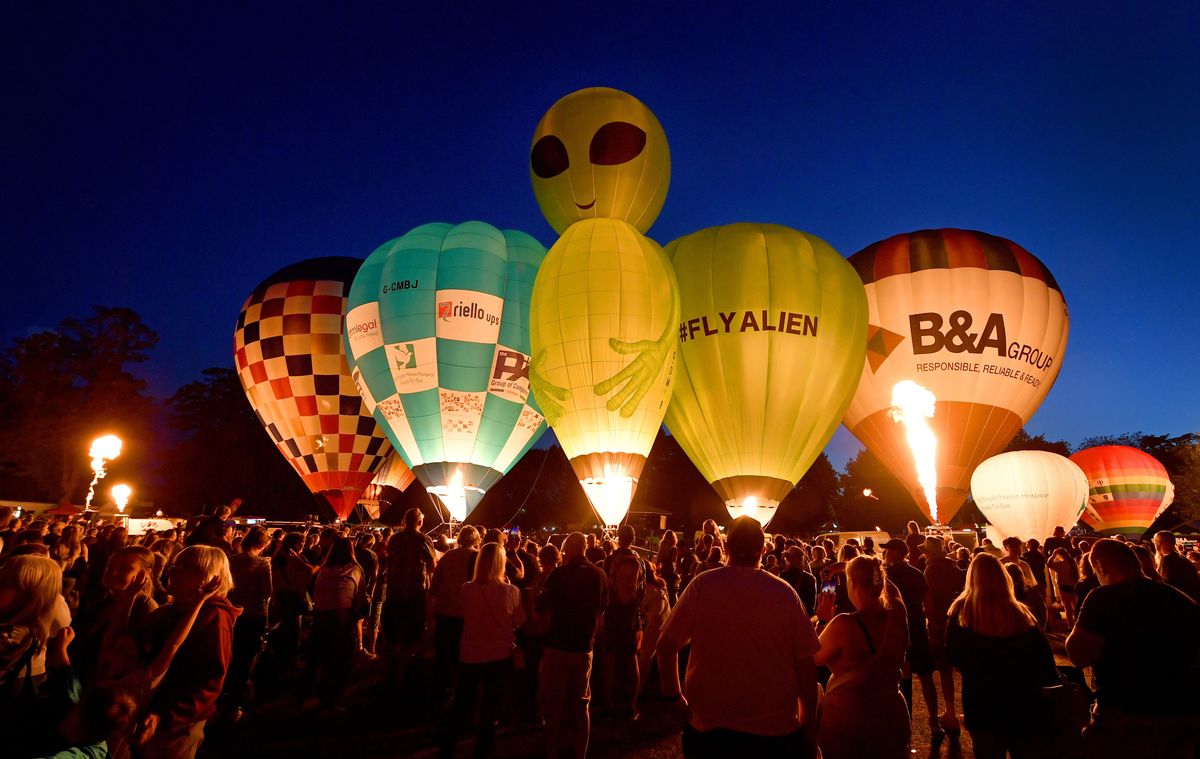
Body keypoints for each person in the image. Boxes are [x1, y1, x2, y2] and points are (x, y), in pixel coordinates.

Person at [657, 516, 820, 758]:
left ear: (725, 548)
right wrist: (807, 728)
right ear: (763, 551)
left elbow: (666, 646)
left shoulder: (703, 586)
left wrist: (673, 697)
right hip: (773, 731)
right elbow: (806, 666)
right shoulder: (785, 594)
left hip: (710, 728)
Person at [1067, 539, 1200, 757]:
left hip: (1125, 714)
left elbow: (1079, 655)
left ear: (1100, 566)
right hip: (1181, 716)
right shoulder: (1179, 598)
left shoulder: (1103, 597)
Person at [945, 554, 1059, 758]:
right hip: (1022, 702)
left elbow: (953, 656)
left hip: (982, 703)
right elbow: (1044, 661)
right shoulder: (1020, 613)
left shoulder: (961, 614)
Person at [137, 544, 240, 759]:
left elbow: (210, 678)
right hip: (152, 712)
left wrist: (165, 715)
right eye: (174, 565)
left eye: (182, 567)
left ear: (207, 576)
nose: (171, 571)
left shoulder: (214, 617)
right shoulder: (176, 609)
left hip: (176, 724)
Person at [815, 556, 910, 759]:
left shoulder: (843, 624)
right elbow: (890, 590)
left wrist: (823, 620)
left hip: (850, 721)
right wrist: (857, 567)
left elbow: (815, 656)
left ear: (852, 583)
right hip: (892, 715)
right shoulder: (898, 616)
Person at [439, 542, 525, 759]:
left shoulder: (466, 589)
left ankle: (447, 747)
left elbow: (464, 613)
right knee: (490, 708)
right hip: (499, 655)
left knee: (463, 703)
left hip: (470, 653)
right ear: (501, 563)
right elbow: (520, 622)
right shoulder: (511, 591)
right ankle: (482, 751)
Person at [535, 532, 607, 759]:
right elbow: (601, 610)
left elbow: (541, 607)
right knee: (581, 704)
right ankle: (579, 753)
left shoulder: (558, 574)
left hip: (557, 645)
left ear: (568, 549)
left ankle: (552, 751)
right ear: (585, 548)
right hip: (583, 647)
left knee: (554, 703)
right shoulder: (599, 575)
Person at [881, 538, 941, 735]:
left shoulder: (886, 576)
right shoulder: (917, 574)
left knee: (900, 678)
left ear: (897, 553)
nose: (885, 554)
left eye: (888, 550)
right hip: (917, 629)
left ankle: (904, 722)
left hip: (897, 630)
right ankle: (934, 722)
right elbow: (929, 603)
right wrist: (931, 626)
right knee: (926, 678)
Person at [221, 526, 271, 721]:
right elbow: (267, 592)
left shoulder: (232, 561)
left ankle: (221, 696)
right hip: (255, 615)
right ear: (264, 544)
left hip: (233, 613)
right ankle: (234, 703)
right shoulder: (262, 564)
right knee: (245, 658)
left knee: (229, 654)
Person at [384, 508, 435, 689]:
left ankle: (388, 673)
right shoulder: (423, 539)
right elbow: (432, 565)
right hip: (415, 595)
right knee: (410, 638)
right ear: (420, 522)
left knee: (392, 636)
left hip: (393, 593)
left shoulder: (395, 539)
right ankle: (399, 677)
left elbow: (390, 559)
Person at [429, 525, 480, 702]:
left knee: (444, 656)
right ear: (476, 539)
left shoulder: (448, 556)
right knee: (463, 658)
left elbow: (434, 586)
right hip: (466, 615)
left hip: (444, 612)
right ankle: (460, 696)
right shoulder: (477, 557)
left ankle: (441, 693)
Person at [922, 536, 964, 735]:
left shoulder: (930, 570)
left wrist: (930, 620)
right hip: (959, 621)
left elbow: (929, 599)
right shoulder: (954, 567)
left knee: (945, 671)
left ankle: (951, 713)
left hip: (940, 623)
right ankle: (968, 709)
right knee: (964, 669)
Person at [597, 555, 644, 720]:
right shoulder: (637, 563)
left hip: (617, 615)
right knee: (631, 661)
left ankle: (609, 702)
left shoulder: (615, 561)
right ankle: (631, 705)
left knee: (611, 660)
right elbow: (638, 588)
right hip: (628, 617)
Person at [1153, 531, 1200, 601]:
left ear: (1159, 543)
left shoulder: (1167, 560)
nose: (1154, 543)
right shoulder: (1181, 558)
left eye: (1154, 540)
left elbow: (1165, 587)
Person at [779, 546, 817, 615]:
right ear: (802, 560)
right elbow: (812, 604)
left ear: (787, 559)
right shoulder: (810, 578)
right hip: (804, 615)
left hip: (787, 614)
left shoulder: (783, 576)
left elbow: (780, 599)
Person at [1047, 547, 1079, 627]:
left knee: (1067, 608)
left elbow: (1049, 564)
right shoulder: (1072, 562)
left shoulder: (1061, 564)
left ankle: (1070, 626)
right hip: (1073, 586)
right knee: (1076, 607)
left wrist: (1053, 555)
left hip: (1064, 587)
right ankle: (1079, 624)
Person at [657, 530, 679, 606]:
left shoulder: (662, 545)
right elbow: (674, 561)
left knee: (665, 587)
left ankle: (665, 604)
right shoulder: (673, 548)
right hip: (669, 568)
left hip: (663, 568)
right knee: (671, 589)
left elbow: (658, 558)